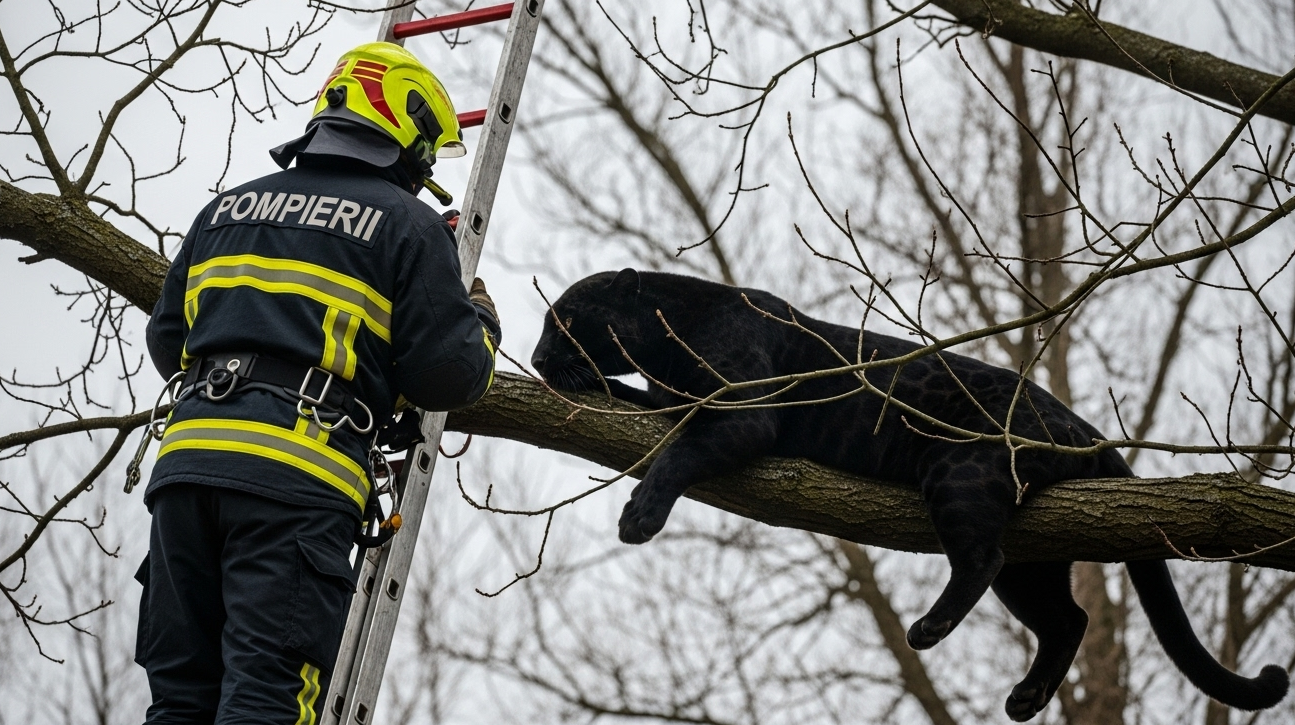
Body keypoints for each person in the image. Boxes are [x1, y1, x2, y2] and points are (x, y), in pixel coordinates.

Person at [135, 41, 500, 723]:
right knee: (268, 698)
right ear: (405, 132)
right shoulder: (407, 226)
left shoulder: (224, 211)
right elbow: (448, 372)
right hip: (295, 485)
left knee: (181, 698)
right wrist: (477, 319)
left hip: (186, 474)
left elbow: (167, 342)